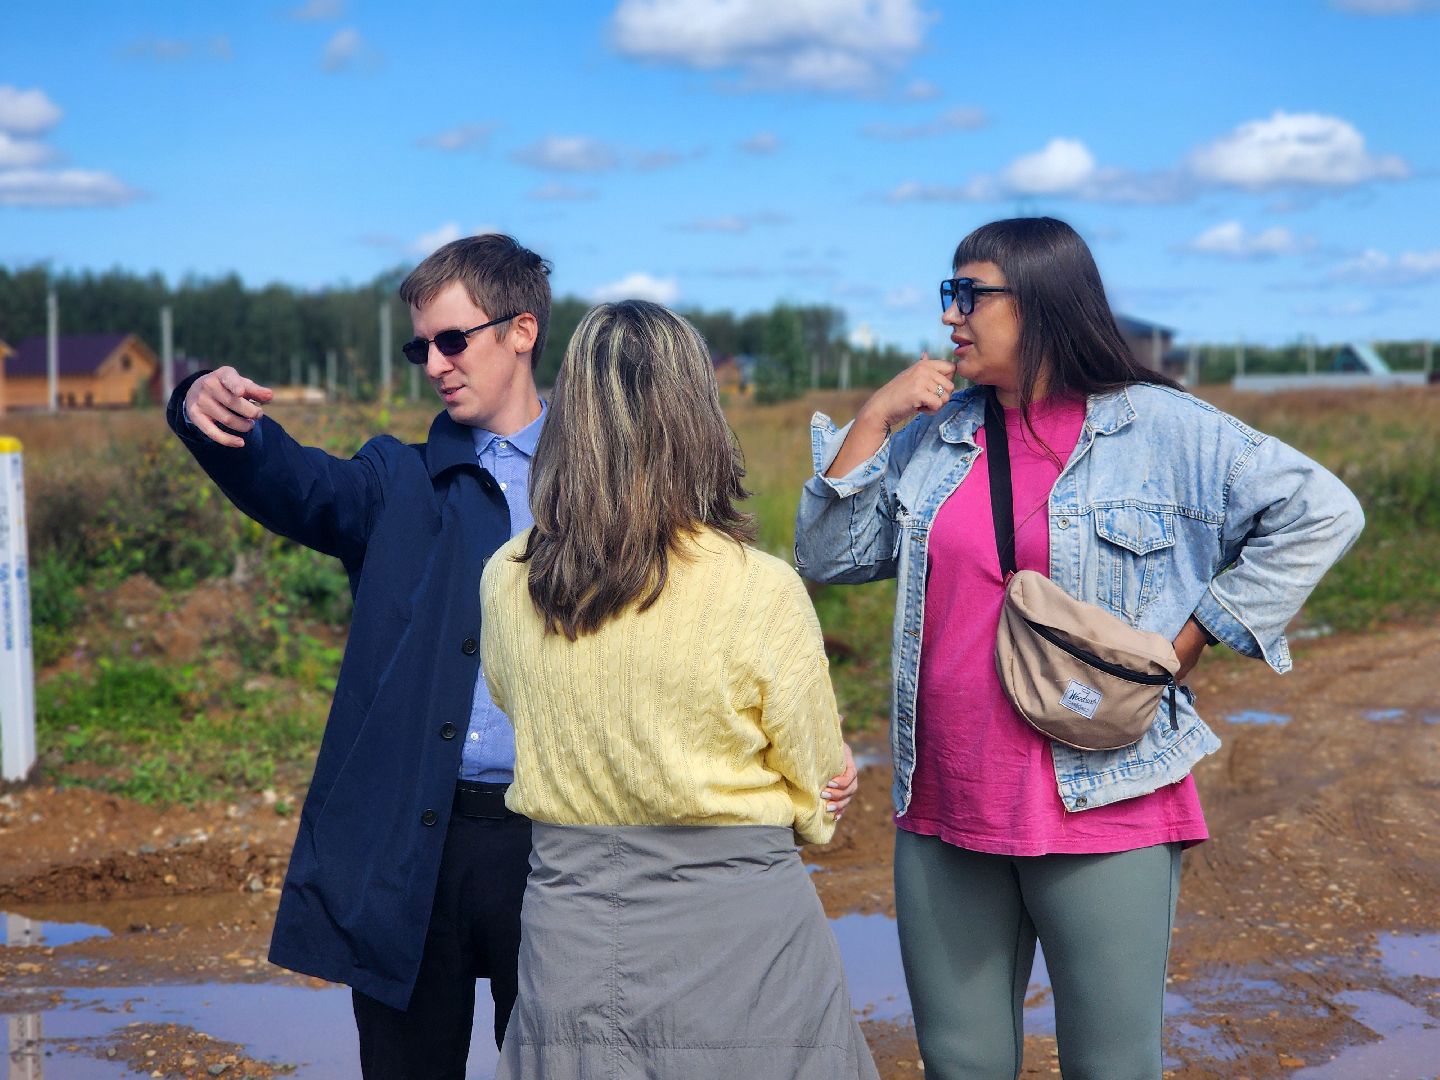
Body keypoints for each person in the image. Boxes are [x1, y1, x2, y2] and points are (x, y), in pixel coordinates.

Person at [167, 233, 858, 1078]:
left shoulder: (613, 484)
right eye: (421, 347)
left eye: (453, 340)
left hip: (553, 846)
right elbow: (296, 484)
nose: (434, 364)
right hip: (415, 840)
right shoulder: (395, 482)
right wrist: (200, 405)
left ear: (522, 330)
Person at [794, 217, 1364, 1080]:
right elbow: (827, 556)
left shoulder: (1159, 428)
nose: (950, 314)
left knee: (1110, 1064)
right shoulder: (934, 434)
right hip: (947, 801)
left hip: (1107, 801)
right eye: (949, 292)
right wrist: (874, 417)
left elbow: (1322, 511)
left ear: (1042, 301)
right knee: (959, 1062)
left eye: (970, 294)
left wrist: (1193, 636)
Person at [480, 300, 880, 1080]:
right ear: (697, 417)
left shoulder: (506, 578)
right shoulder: (759, 588)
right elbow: (815, 770)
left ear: (571, 420)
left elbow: (514, 701)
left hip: (572, 936)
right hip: (744, 943)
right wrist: (818, 802)